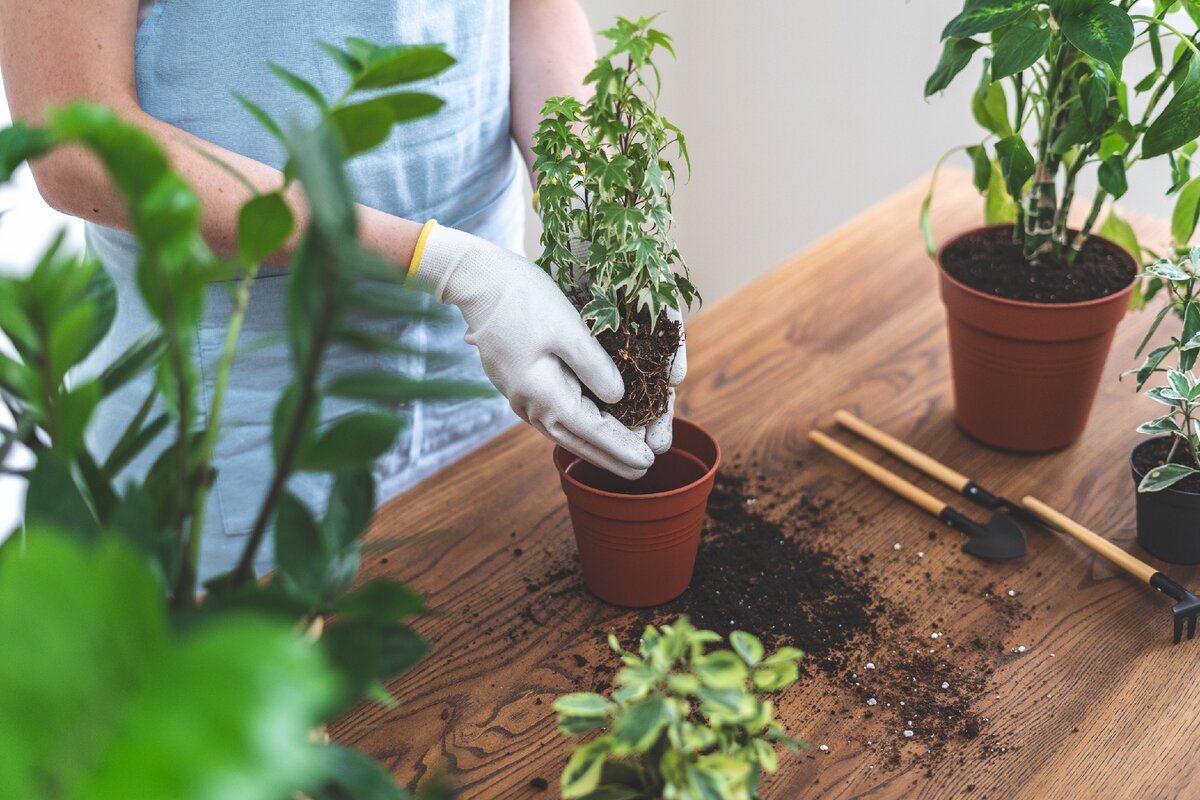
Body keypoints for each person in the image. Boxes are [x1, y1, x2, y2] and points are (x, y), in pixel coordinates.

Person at [0, 0, 684, 579]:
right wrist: (434, 261)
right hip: (244, 402)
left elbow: (530, 9)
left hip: (479, 362)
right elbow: (74, 148)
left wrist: (593, 212)